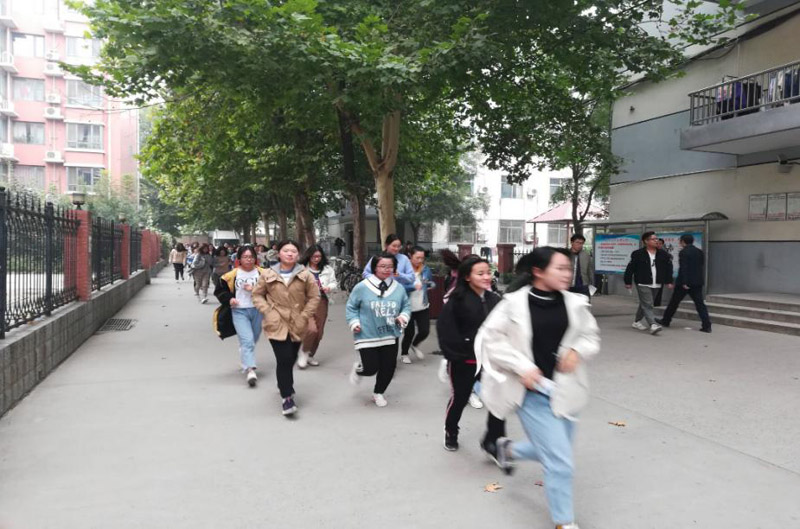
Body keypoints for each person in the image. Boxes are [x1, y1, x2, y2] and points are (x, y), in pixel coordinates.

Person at [476, 247, 601, 529]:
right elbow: (491, 339)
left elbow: (590, 336)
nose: (567, 274)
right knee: (560, 462)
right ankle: (564, 522)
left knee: (558, 451)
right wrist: (523, 367)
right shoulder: (512, 304)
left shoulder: (576, 303)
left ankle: (508, 450)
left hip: (567, 390)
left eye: (568, 268)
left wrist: (577, 351)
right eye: (560, 268)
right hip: (531, 393)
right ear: (538, 271)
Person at [437, 256, 506, 452]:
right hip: (464, 361)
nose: (486, 277)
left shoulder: (495, 300)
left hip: (491, 361)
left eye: (488, 272)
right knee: (460, 398)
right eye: (480, 273)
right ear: (467, 277)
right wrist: (454, 355)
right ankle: (451, 431)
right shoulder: (457, 300)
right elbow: (446, 330)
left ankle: (493, 439)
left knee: (498, 399)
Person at [252, 240, 320, 417]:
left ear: (298, 255)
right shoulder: (268, 273)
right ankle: (287, 397)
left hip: (298, 321)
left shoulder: (305, 274)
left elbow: (314, 297)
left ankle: (283, 383)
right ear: (279, 253)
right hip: (276, 322)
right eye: (286, 250)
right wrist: (268, 312)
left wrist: (305, 315)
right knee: (283, 359)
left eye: (294, 251)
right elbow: (257, 295)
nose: (290, 254)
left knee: (290, 358)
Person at [346, 252, 411, 407]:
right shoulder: (362, 287)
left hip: (390, 334)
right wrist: (354, 322)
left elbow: (406, 306)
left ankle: (378, 392)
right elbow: (351, 307)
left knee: (389, 368)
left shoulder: (398, 288)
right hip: (367, 334)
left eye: (390, 266)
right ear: (374, 267)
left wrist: (403, 317)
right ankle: (359, 369)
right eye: (382, 266)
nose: (386, 269)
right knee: (370, 368)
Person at [214, 246, 265, 387]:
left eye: (251, 257)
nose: (249, 259)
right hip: (239, 311)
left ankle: (244, 354)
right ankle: (250, 370)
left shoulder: (263, 273)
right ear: (239, 259)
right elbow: (220, 291)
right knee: (247, 340)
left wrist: (254, 289)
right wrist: (229, 299)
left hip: (258, 310)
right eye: (245, 257)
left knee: (252, 339)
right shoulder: (230, 276)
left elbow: (272, 290)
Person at [657, 234, 712, 333]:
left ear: (682, 241)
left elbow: (684, 268)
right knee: (700, 304)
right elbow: (700, 266)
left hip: (684, 283)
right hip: (697, 282)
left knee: (674, 302)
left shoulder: (683, 252)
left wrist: (685, 282)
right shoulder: (699, 252)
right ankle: (707, 325)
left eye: (680, 241)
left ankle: (666, 320)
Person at [624, 231, 673, 335]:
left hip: (657, 282)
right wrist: (628, 281)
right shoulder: (638, 254)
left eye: (657, 239)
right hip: (643, 282)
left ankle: (637, 321)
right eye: (653, 239)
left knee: (645, 303)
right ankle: (653, 324)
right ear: (646, 241)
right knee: (648, 304)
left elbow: (669, 268)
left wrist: (669, 281)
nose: (656, 241)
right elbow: (630, 268)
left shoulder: (663, 254)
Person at [298, 244, 338, 368]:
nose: (316, 259)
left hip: (322, 301)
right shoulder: (301, 269)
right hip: (306, 302)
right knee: (312, 329)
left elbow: (334, 283)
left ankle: (310, 354)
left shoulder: (327, 269)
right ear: (309, 256)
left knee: (319, 332)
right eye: (314, 256)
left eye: (319, 256)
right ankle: (304, 352)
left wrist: (329, 287)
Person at [399, 246, 436, 364]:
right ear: (410, 256)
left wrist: (431, 284)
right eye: (417, 257)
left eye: (422, 258)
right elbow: (399, 287)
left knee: (425, 331)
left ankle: (414, 345)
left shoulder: (425, 269)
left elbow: (430, 281)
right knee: (409, 333)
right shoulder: (403, 270)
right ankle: (404, 353)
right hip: (407, 307)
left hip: (422, 305)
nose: (420, 260)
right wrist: (413, 287)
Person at [653, 238, 667, 307]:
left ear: (662, 244)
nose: (658, 245)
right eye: (657, 243)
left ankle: (657, 305)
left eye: (660, 243)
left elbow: (667, 266)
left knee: (658, 292)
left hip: (660, 276)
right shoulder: (651, 252)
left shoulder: (664, 254)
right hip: (651, 276)